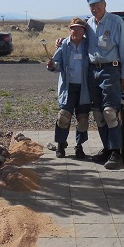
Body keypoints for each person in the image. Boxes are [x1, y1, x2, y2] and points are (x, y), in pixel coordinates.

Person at [84, 0, 124, 169]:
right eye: (91, 6)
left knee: (110, 112)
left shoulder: (115, 22)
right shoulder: (88, 24)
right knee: (98, 113)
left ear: (105, 4)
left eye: (98, 4)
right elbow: (77, 38)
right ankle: (106, 149)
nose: (95, 8)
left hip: (111, 70)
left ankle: (116, 153)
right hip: (93, 70)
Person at [47, 17, 91, 159]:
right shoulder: (64, 45)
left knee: (82, 119)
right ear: (70, 29)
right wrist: (52, 66)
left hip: (84, 87)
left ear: (84, 31)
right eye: (73, 28)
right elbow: (56, 63)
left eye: (79, 28)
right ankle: (61, 145)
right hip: (68, 87)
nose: (76, 31)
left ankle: (79, 146)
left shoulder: (89, 45)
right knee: (63, 117)